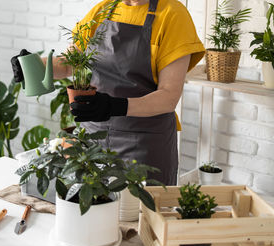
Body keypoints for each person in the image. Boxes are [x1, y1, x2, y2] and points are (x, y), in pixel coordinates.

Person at [12, 0, 205, 185]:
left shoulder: (173, 15)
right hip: (93, 138)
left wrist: (114, 106)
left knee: (139, 214)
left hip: (144, 142)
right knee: (91, 209)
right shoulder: (104, 10)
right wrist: (34, 65)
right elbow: (72, 62)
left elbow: (168, 96)